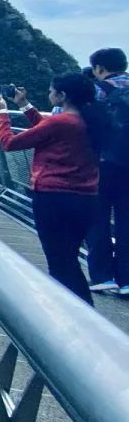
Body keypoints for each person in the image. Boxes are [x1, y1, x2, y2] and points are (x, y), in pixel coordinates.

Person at [0, 73, 106, 305]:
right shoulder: (88, 119)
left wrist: (2, 112)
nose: (49, 94)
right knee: (68, 259)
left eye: (52, 91)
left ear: (62, 95)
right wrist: (23, 104)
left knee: (60, 262)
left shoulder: (62, 122)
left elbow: (9, 143)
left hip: (54, 199)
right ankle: (79, 312)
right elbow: (47, 128)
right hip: (85, 199)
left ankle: (77, 318)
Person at [86, 47, 129, 295]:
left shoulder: (96, 90)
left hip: (101, 164)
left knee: (98, 218)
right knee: (126, 220)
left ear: (99, 68)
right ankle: (126, 279)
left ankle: (103, 276)